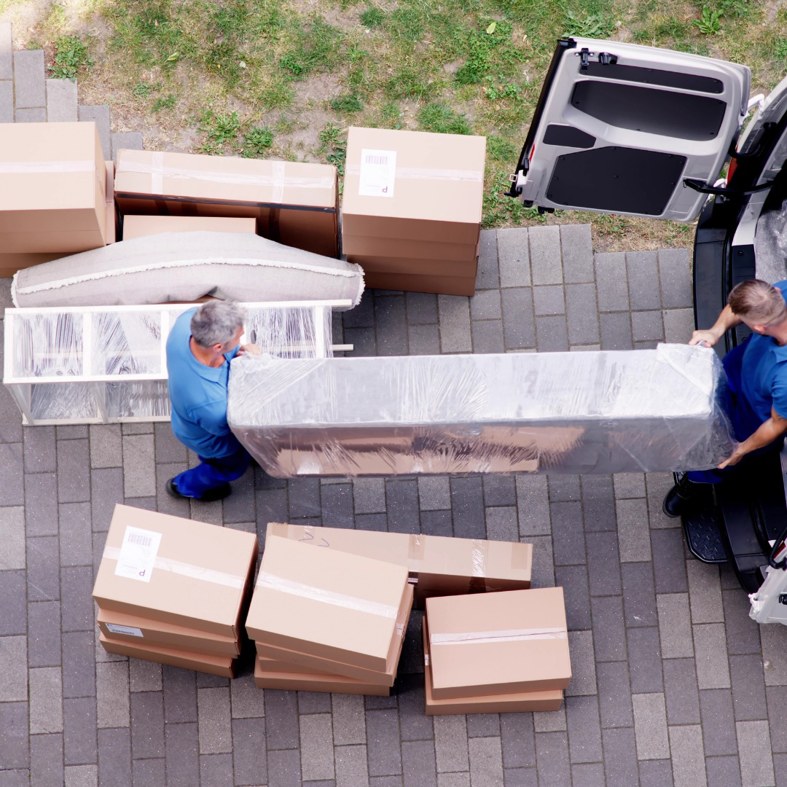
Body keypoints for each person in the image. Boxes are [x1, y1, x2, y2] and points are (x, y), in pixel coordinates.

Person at [663, 279, 787, 517]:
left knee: (719, 452)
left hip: (754, 415)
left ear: (759, 328)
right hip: (739, 369)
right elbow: (738, 306)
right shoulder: (777, 295)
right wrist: (716, 330)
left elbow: (777, 424)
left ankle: (699, 481)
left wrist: (740, 450)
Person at [165, 300, 260, 502]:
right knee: (229, 467)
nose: (241, 338)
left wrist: (239, 352)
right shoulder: (212, 405)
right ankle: (186, 487)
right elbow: (233, 427)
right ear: (218, 346)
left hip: (187, 418)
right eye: (239, 337)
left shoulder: (189, 320)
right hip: (212, 440)